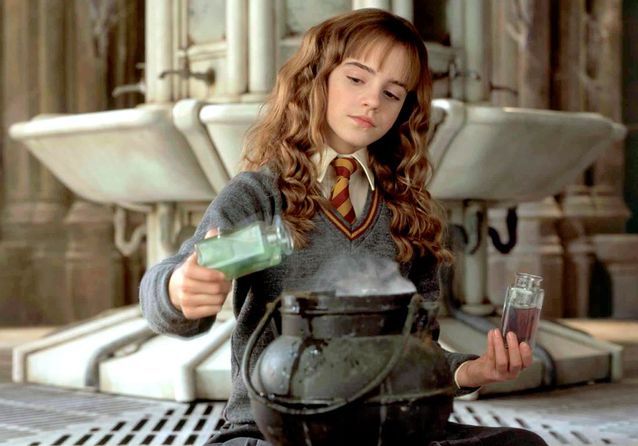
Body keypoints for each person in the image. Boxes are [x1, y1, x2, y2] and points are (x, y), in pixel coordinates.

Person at [140, 8, 548, 446]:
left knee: (523, 445)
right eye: (356, 79)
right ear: (316, 78)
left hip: (386, 430)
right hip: (275, 432)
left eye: (392, 93)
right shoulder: (259, 197)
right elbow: (172, 285)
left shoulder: (410, 213)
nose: (373, 101)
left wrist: (473, 371)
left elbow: (417, 353)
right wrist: (180, 289)